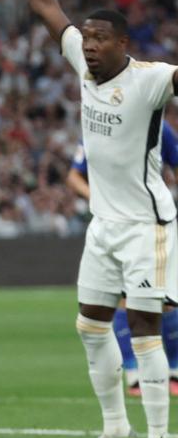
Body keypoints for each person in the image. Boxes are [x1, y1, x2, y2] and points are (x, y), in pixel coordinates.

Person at [1, 0, 176, 438]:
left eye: (102, 40)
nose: (91, 47)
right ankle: (115, 433)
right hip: (103, 226)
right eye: (89, 39)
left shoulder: (151, 80)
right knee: (90, 326)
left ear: (124, 45)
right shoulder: (81, 62)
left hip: (146, 226)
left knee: (144, 331)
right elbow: (48, 8)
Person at [67, 134, 178, 399]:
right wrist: (100, 199)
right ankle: (133, 375)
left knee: (166, 300)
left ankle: (173, 371)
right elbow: (74, 176)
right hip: (112, 225)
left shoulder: (158, 124)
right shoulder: (97, 124)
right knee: (121, 301)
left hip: (149, 221)